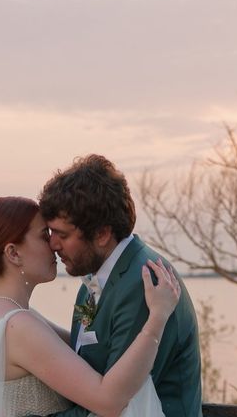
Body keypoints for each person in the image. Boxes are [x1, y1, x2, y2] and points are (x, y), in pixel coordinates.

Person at [0, 196, 180, 417]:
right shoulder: (17, 325)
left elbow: (83, 349)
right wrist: (157, 318)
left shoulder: (9, 314)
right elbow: (108, 402)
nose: (54, 244)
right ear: (13, 253)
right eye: (45, 235)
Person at [38, 155, 202, 417]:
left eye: (63, 235)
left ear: (102, 234)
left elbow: (115, 404)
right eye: (50, 233)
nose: (53, 244)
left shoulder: (144, 283)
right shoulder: (93, 282)